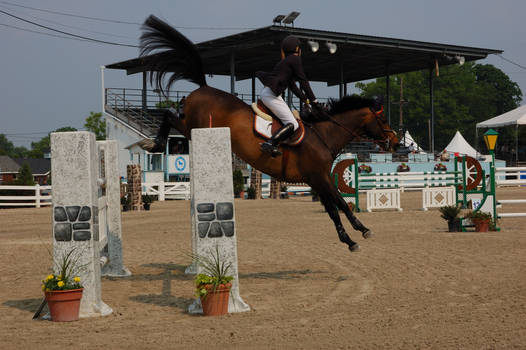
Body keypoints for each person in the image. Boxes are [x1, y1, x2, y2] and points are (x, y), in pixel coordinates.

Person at [256, 35, 318, 157]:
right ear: (297, 49)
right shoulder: (295, 59)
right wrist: (314, 100)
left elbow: (293, 86)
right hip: (271, 95)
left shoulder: (285, 62)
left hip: (269, 94)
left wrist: (304, 99)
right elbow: (303, 81)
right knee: (293, 124)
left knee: (289, 121)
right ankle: (271, 143)